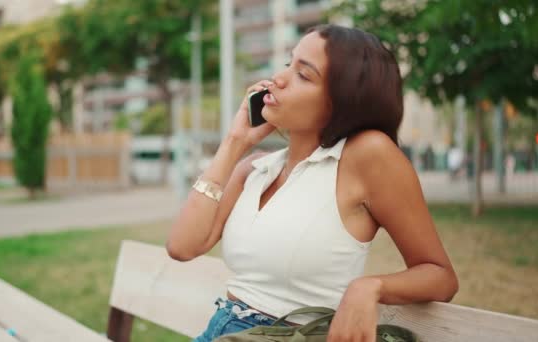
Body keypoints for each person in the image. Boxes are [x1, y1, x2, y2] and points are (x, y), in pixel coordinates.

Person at [167, 24, 458, 342]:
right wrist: (235, 141)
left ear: (342, 102)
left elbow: (439, 275)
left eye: (303, 75)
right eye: (289, 63)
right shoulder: (255, 169)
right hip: (219, 331)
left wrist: (370, 287)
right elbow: (182, 246)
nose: (278, 78)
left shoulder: (367, 156)